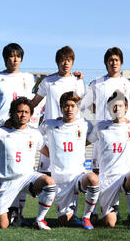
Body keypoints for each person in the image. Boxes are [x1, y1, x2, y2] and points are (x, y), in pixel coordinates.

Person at [80, 47, 130, 224]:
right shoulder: (97, 83)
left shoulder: (128, 84)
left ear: (121, 62)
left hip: (122, 136)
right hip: (103, 136)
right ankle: (96, 211)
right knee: (99, 173)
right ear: (106, 62)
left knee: (128, 174)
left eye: (117, 60)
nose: (114, 63)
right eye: (110, 60)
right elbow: (81, 105)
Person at [0, 43, 37, 228]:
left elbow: (32, 103)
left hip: (19, 132)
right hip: (0, 130)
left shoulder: (29, 78)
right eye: (11, 56)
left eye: (18, 56)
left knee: (20, 172)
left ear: (21, 58)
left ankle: (17, 215)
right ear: (5, 58)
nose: (14, 60)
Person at [30, 46, 86, 224]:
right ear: (57, 62)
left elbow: (81, 106)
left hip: (69, 136)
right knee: (46, 177)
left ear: (73, 62)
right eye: (62, 59)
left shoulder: (78, 81)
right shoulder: (48, 82)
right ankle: (38, 215)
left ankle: (70, 212)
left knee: (71, 175)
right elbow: (34, 102)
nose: (65, 63)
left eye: (69, 60)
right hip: (50, 135)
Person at [0, 97, 56, 230]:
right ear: (13, 113)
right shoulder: (0, 132)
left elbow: (48, 152)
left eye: (26, 112)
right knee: (2, 226)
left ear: (30, 114)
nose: (23, 115)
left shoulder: (35, 134)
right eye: (20, 111)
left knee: (50, 182)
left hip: (28, 178)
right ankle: (10, 213)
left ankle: (39, 220)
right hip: (7, 181)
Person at [39, 91, 100, 230]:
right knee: (64, 222)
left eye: (73, 106)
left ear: (77, 108)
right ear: (61, 107)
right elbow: (34, 138)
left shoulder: (84, 124)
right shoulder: (49, 124)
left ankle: (87, 217)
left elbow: (92, 138)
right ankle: (72, 215)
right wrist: (49, 152)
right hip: (60, 179)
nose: (69, 109)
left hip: (79, 175)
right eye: (66, 106)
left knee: (93, 179)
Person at [87, 90, 130, 231]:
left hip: (125, 176)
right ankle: (106, 213)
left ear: (126, 108)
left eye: (120, 105)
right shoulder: (101, 127)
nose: (116, 109)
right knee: (109, 223)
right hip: (107, 179)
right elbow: (84, 142)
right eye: (113, 106)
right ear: (108, 108)